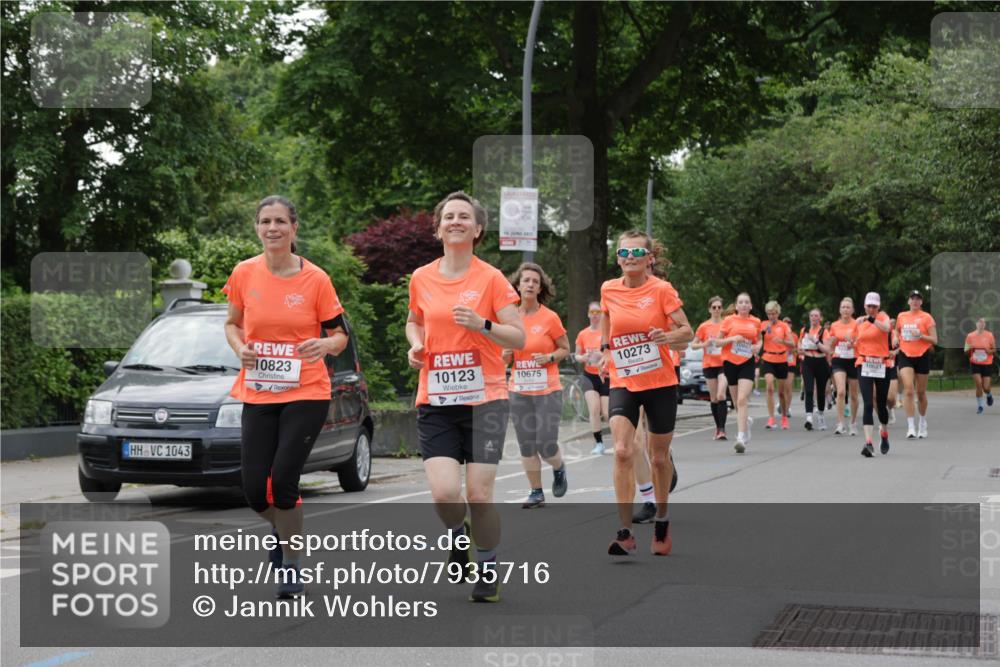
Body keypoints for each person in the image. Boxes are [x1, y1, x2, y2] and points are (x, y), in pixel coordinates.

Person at [223, 195, 349, 599]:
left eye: (280, 221)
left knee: (284, 481)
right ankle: (282, 530)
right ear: (257, 228)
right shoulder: (244, 273)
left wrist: (325, 346)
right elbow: (231, 323)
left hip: (307, 390)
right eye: (265, 221)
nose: (272, 228)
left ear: (294, 229)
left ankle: (292, 567)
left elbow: (340, 335)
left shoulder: (316, 279)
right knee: (254, 488)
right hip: (259, 390)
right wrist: (239, 347)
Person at [405, 191, 525, 602]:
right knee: (444, 494)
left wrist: (483, 323)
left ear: (477, 230)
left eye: (464, 217)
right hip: (436, 398)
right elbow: (413, 322)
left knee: (478, 494)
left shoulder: (491, 279)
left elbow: (518, 335)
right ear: (438, 227)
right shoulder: (421, 277)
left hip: (486, 399)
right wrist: (414, 345)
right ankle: (459, 534)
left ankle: (488, 569)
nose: (455, 221)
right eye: (448, 216)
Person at [599, 230, 693, 557]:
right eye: (624, 252)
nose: (630, 257)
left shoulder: (662, 290)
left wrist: (667, 337)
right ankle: (624, 532)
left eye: (637, 251)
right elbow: (607, 325)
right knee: (623, 451)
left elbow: (687, 333)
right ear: (618, 258)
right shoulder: (609, 289)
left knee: (657, 457)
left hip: (660, 383)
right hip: (623, 380)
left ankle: (662, 520)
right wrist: (604, 352)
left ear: (649, 257)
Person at [503, 262, 569, 509]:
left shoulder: (549, 317)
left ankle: (559, 467)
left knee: (546, 442)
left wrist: (550, 357)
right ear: (518, 285)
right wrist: (505, 355)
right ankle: (536, 491)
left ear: (540, 288)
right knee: (527, 443)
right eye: (526, 280)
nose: (530, 284)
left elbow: (565, 348)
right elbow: (501, 356)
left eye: (535, 281)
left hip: (547, 389)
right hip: (519, 388)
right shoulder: (508, 318)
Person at [715, 293, 762, 453]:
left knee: (742, 399)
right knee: (736, 402)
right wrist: (732, 338)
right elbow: (717, 341)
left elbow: (759, 340)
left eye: (746, 302)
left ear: (750, 306)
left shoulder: (755, 322)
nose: (743, 305)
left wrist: (758, 347)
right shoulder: (728, 321)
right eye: (740, 302)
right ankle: (746, 423)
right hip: (730, 363)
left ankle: (741, 437)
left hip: (747, 362)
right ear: (736, 306)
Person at [854, 292, 893, 457]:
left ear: (879, 307)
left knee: (882, 404)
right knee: (868, 403)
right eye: (869, 306)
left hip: (881, 364)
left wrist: (871, 319)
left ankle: (884, 432)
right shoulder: (859, 322)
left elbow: (886, 328)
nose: (871, 309)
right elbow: (855, 339)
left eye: (874, 306)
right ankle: (869, 443)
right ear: (864, 306)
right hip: (864, 364)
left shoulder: (883, 317)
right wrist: (851, 342)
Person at [896, 290, 938, 438]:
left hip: (922, 355)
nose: (915, 301)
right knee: (908, 390)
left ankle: (922, 421)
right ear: (908, 301)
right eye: (912, 298)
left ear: (921, 302)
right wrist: (895, 339)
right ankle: (911, 426)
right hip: (905, 355)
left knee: (920, 393)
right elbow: (896, 331)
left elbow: (935, 340)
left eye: (918, 299)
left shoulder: (926, 317)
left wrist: (921, 335)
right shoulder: (902, 316)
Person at [575, 301, 610, 454]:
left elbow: (612, 353)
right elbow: (576, 355)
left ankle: (619, 440)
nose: (595, 315)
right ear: (588, 314)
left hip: (606, 375)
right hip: (589, 376)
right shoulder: (583, 334)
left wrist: (600, 355)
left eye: (598, 312)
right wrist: (583, 357)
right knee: (594, 409)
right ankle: (599, 443)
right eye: (592, 312)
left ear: (602, 314)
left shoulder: (607, 333)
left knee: (608, 412)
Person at [693, 296, 728, 439]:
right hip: (709, 364)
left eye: (719, 307)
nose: (717, 310)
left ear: (722, 309)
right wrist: (704, 344)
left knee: (721, 395)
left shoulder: (726, 324)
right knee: (714, 398)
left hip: (724, 364)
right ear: (709, 309)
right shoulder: (703, 326)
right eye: (714, 307)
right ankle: (718, 427)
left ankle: (722, 430)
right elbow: (694, 345)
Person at [827, 297, 861, 436]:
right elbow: (830, 344)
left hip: (853, 359)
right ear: (839, 310)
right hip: (839, 359)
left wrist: (852, 343)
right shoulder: (834, 325)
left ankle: (853, 423)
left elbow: (862, 342)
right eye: (843, 307)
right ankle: (840, 423)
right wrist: (833, 341)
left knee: (853, 394)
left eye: (848, 307)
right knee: (840, 391)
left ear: (852, 310)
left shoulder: (857, 324)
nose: (846, 309)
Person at [760, 301, 794, 430]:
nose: (771, 316)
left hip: (781, 359)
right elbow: (756, 338)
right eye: (769, 314)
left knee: (781, 392)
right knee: (769, 387)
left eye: (773, 314)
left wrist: (782, 341)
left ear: (778, 313)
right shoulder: (763, 324)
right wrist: (762, 332)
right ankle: (771, 418)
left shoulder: (784, 326)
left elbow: (792, 344)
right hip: (768, 357)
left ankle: (784, 417)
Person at [799, 308, 832, 431]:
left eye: (816, 316)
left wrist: (816, 341)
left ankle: (821, 415)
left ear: (820, 318)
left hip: (821, 362)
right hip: (808, 362)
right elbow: (799, 344)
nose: (813, 318)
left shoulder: (824, 331)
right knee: (808, 389)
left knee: (821, 391)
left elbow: (827, 349)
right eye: (811, 315)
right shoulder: (804, 330)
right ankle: (809, 418)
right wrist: (800, 350)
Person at [966, 317, 996, 413]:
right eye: (979, 322)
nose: (981, 324)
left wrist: (988, 351)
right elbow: (965, 351)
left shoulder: (989, 335)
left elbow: (994, 350)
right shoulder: (970, 336)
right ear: (976, 324)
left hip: (987, 363)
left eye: (983, 322)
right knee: (979, 384)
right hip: (975, 362)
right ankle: (980, 406)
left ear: (985, 325)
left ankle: (989, 395)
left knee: (986, 387)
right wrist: (970, 348)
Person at [782, 316, 799, 425]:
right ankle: (782, 406)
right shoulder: (779, 334)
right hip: (780, 362)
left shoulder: (794, 336)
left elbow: (797, 348)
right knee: (782, 387)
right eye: (785, 322)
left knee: (788, 386)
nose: (787, 324)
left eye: (789, 322)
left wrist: (791, 350)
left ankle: (787, 409)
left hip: (791, 362)